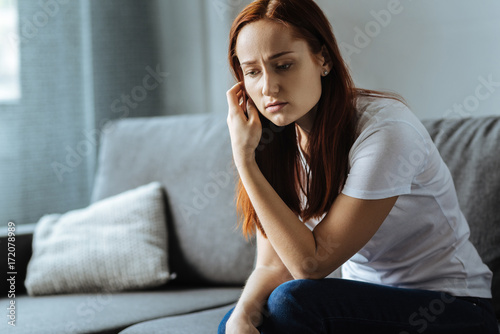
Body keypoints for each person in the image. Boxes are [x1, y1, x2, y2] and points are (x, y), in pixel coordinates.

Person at [219, 0, 498, 333]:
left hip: (455, 310)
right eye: (252, 72)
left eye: (284, 65)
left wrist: (244, 159)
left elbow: (313, 264)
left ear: (322, 59)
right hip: (366, 306)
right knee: (243, 320)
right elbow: (271, 264)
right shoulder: (277, 144)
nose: (268, 87)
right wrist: (242, 317)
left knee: (290, 302)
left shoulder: (386, 131)